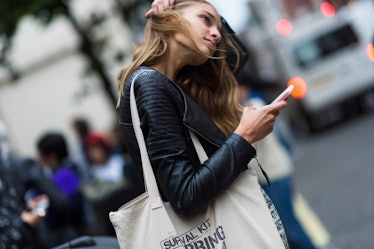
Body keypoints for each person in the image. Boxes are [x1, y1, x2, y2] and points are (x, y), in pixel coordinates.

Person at [116, 0, 288, 247]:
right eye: (205, 19)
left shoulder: (174, 83)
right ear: (170, 19)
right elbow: (186, 195)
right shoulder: (151, 85)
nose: (217, 33)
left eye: (218, 26)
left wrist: (211, 18)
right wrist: (244, 137)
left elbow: (236, 57)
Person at [36, 132, 85, 247]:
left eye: (41, 156)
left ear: (52, 157)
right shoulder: (75, 168)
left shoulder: (63, 176)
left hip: (72, 234)